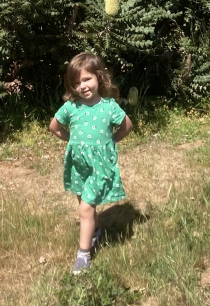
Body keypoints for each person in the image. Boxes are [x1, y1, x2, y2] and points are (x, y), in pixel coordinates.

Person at [49, 52, 133, 274]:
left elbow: (127, 126)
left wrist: (111, 141)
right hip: (78, 164)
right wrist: (71, 140)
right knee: (83, 202)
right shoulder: (71, 108)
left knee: (86, 207)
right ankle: (95, 231)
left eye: (86, 79)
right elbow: (54, 127)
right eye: (76, 82)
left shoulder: (108, 107)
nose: (82, 86)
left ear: (99, 77)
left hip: (100, 165)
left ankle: (83, 254)